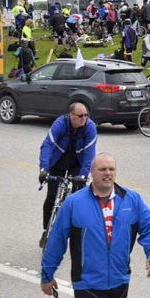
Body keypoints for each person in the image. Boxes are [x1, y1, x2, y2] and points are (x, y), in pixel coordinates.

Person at [41, 153, 150, 298]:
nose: (108, 173)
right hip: (87, 284)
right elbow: (56, 240)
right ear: (92, 173)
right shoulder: (73, 203)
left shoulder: (132, 200)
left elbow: (149, 227)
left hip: (120, 281)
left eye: (111, 169)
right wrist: (47, 275)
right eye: (102, 169)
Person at [38, 102, 97, 247]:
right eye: (80, 115)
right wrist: (43, 169)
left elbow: (90, 154)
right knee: (51, 197)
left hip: (77, 163)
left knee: (79, 199)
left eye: (86, 115)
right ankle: (47, 229)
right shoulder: (60, 123)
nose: (84, 118)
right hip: (58, 161)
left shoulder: (90, 127)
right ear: (71, 115)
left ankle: (76, 233)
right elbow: (47, 145)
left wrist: (83, 175)